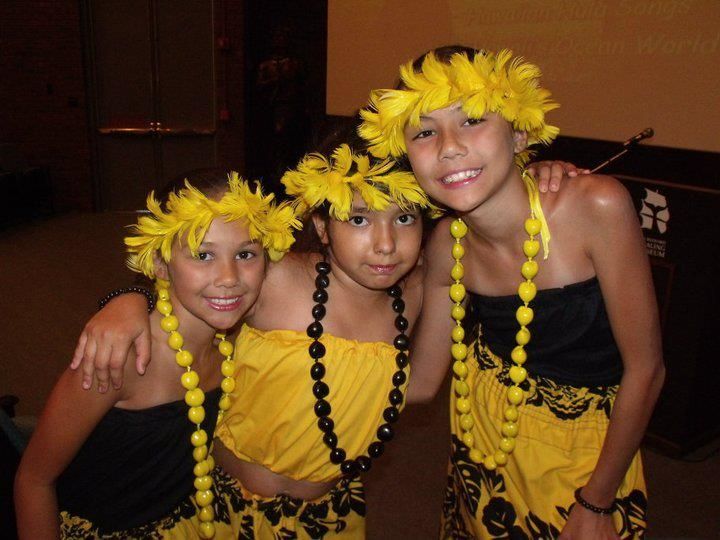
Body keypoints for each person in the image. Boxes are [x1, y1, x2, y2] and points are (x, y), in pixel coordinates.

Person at [359, 46, 665, 539]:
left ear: (520, 133)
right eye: (424, 131)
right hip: (479, 442)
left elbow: (647, 369)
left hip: (584, 461)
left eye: (474, 120)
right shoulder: (445, 244)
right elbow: (420, 383)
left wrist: (597, 500)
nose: (449, 146)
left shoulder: (594, 207)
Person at [14, 171, 297, 539]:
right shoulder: (121, 358)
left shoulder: (244, 336)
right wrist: (129, 297)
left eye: (245, 254)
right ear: (161, 265)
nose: (229, 277)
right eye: (203, 254)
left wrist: (129, 295)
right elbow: (34, 480)